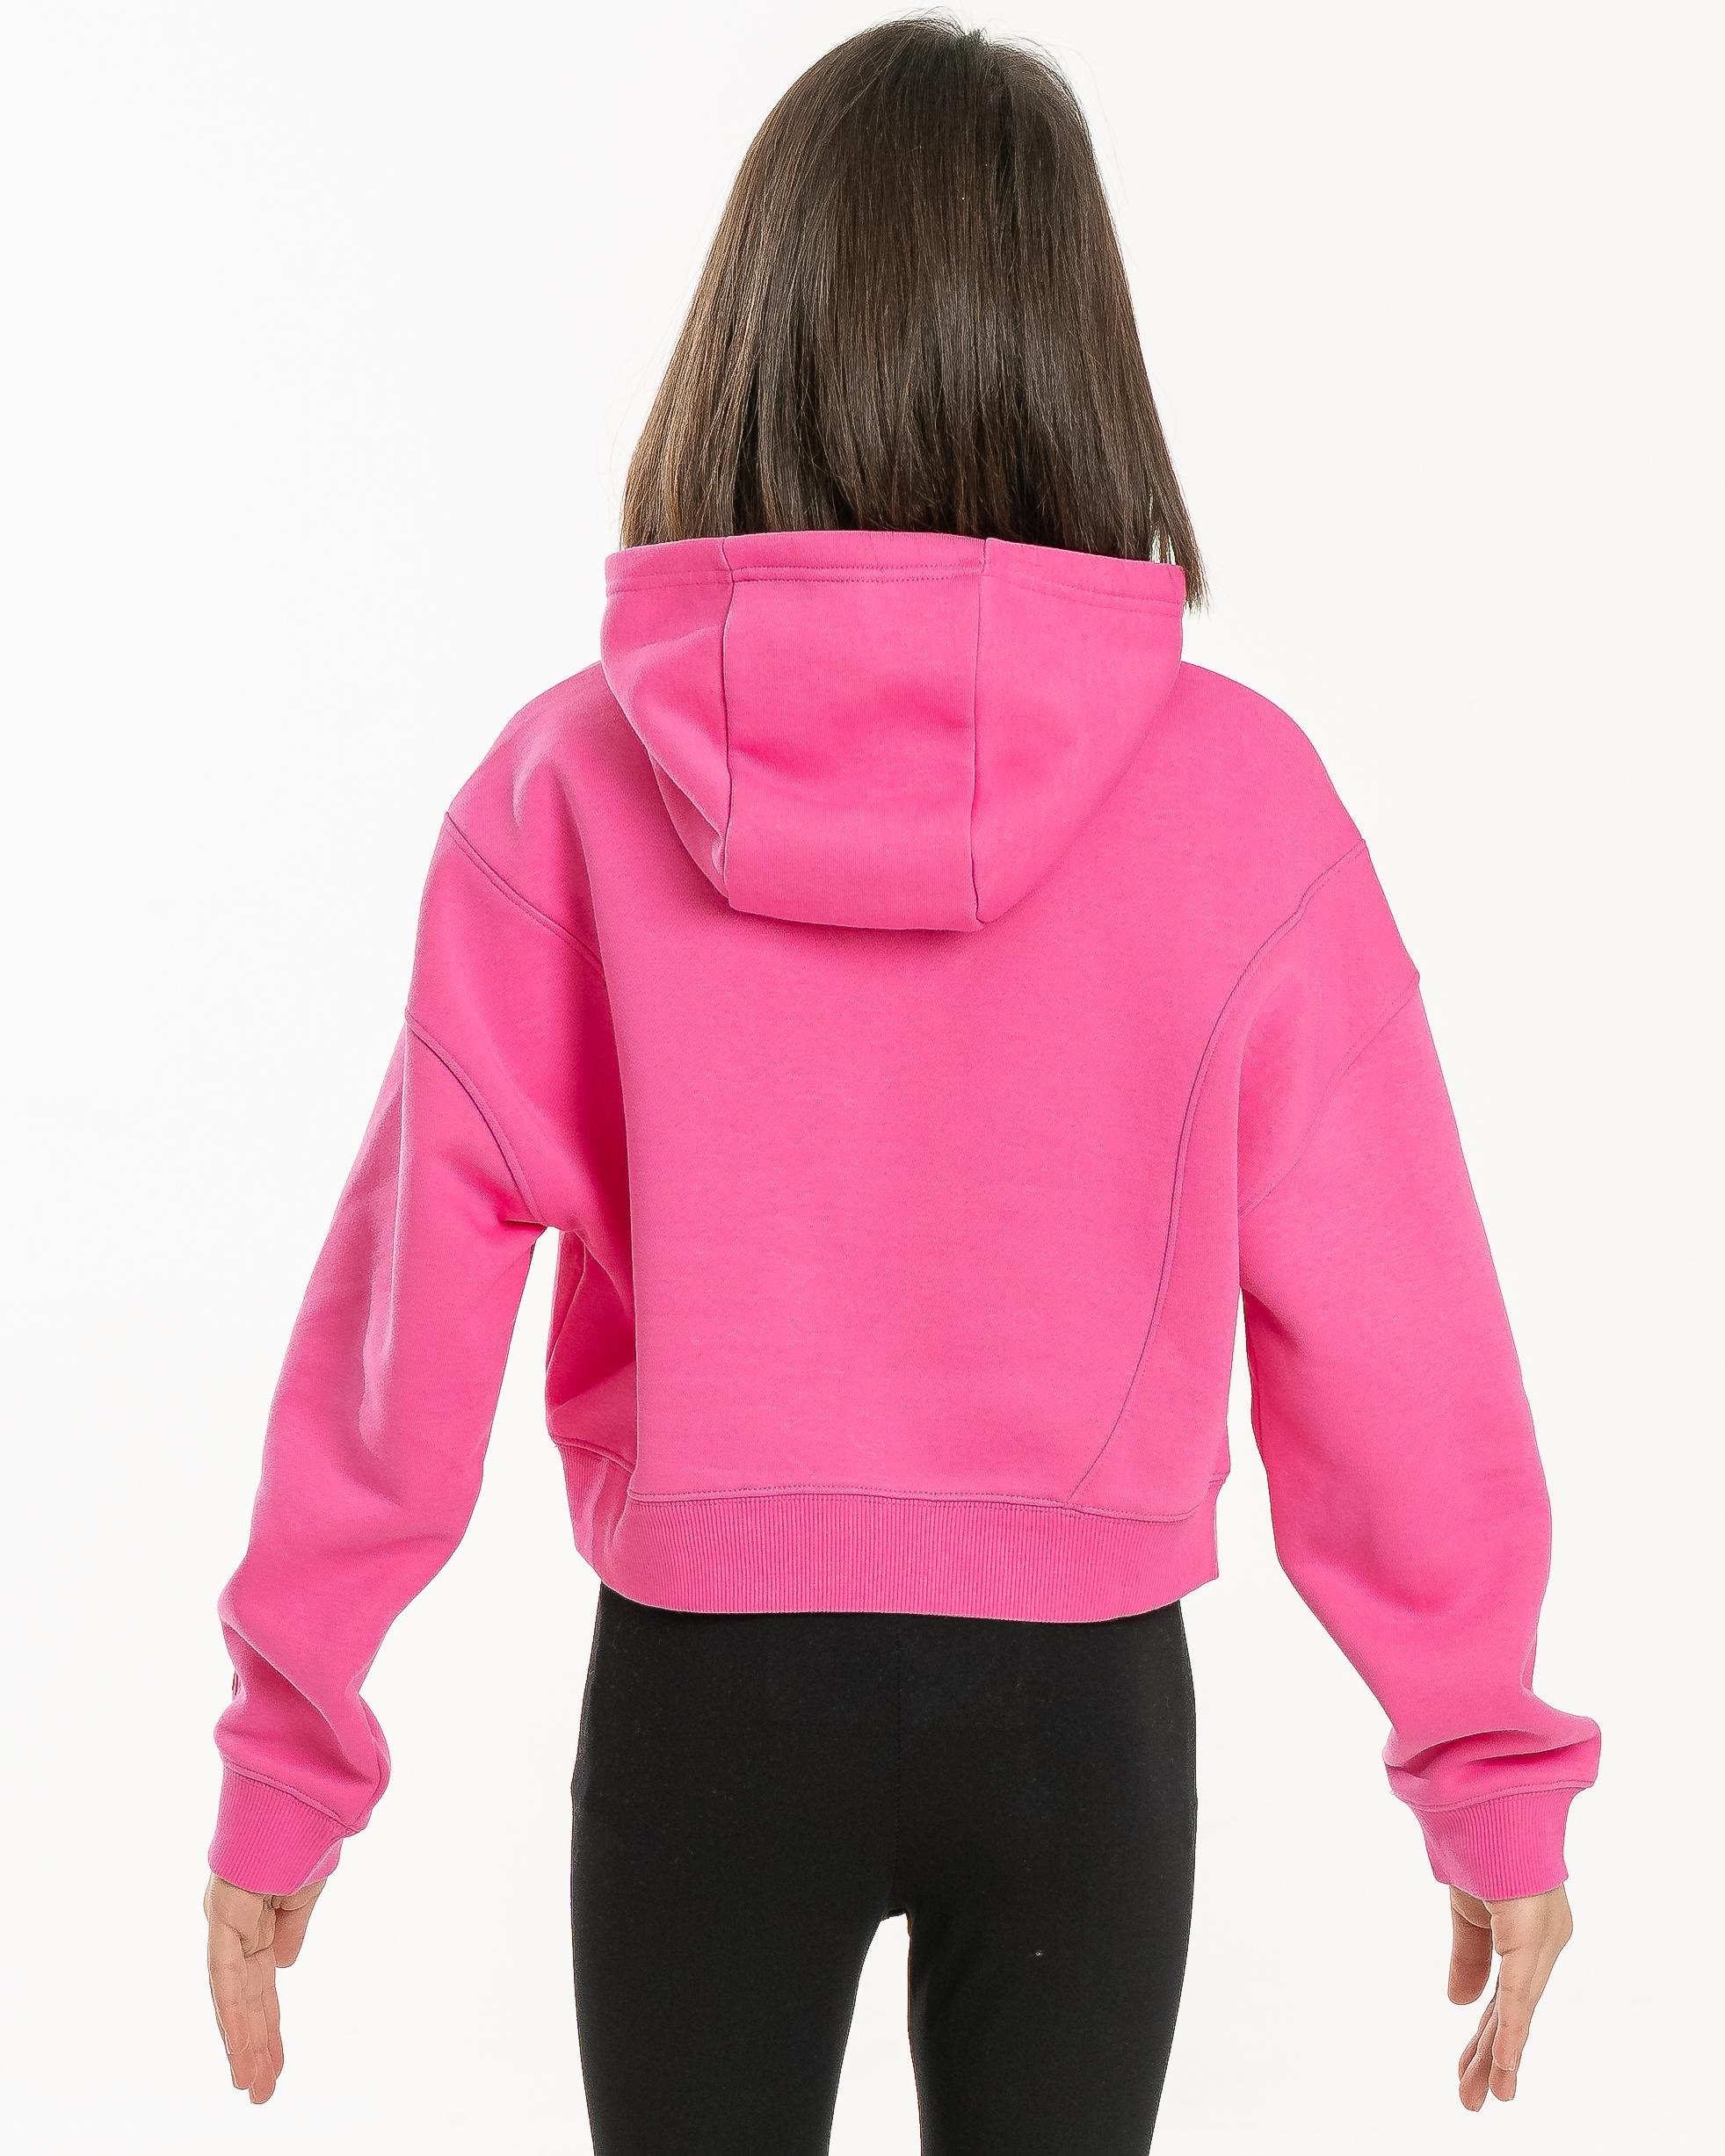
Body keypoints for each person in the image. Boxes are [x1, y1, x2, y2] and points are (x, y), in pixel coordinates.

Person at [203, 17, 1599, 2147]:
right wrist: (1485, 1770)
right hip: (1079, 1718)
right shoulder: (1245, 800)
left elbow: (396, 1335)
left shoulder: (565, 785)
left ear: (750, 333)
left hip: (706, 1704)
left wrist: (288, 1760)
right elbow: (1392, 1327)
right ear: (1080, 350)